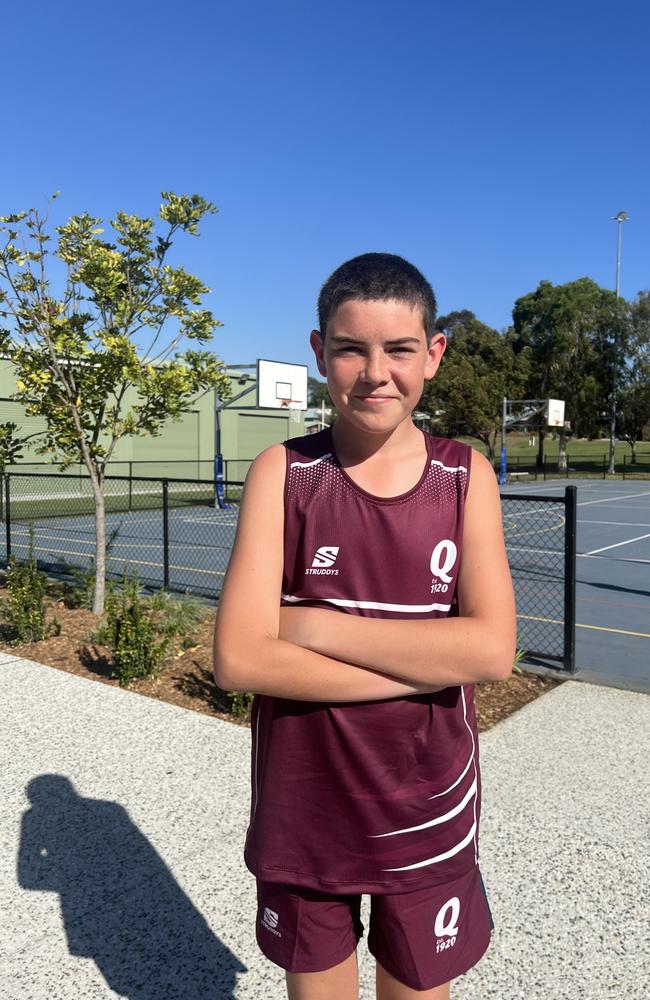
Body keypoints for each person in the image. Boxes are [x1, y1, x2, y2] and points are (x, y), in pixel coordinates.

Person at [214, 253, 516, 1000]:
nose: (375, 371)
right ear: (319, 353)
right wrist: (426, 659)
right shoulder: (282, 474)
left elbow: (490, 650)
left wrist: (311, 625)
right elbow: (240, 661)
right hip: (305, 810)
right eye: (351, 348)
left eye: (400, 349)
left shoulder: (464, 476)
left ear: (434, 354)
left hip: (428, 810)